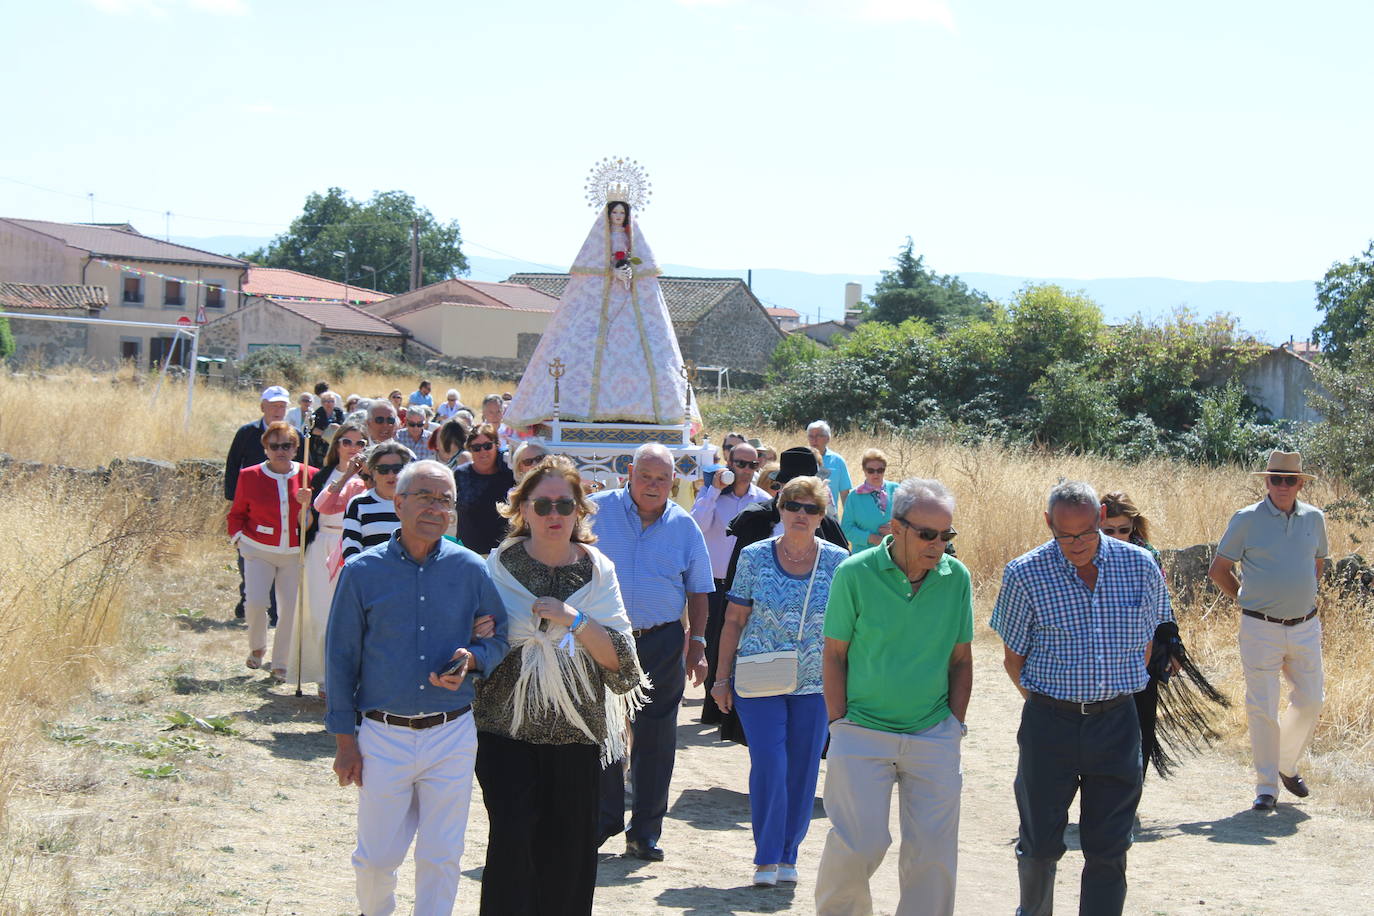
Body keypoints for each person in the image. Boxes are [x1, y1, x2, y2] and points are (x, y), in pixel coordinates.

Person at [326, 459, 510, 916]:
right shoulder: (362, 573)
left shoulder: (472, 569)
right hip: (382, 735)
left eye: (445, 499)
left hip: (451, 733)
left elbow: (498, 638)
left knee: (441, 856)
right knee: (374, 861)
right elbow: (340, 660)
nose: (436, 507)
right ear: (398, 501)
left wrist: (472, 659)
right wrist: (345, 742)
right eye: (425, 496)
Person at [475, 456, 650, 915]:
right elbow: (478, 640)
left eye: (564, 505)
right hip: (504, 730)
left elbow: (624, 665)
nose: (554, 515)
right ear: (523, 510)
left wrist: (575, 620)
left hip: (577, 733)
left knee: (570, 854)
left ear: (579, 511)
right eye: (543, 504)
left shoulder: (598, 571)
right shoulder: (495, 568)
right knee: (512, 845)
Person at [990, 480, 1171, 916]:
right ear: (1048, 523)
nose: (1076, 544)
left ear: (1102, 519)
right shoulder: (1025, 573)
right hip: (1050, 725)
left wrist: (1109, 691)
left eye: (1087, 533)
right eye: (1065, 535)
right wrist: (1052, 705)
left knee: (1110, 846)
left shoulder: (1141, 567)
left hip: (1117, 724)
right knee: (1039, 843)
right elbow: (1013, 659)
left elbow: (1146, 646)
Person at [814, 478, 972, 915]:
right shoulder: (854, 573)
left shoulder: (956, 578)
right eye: (928, 534)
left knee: (934, 855)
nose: (938, 545)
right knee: (858, 845)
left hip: (934, 733)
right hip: (861, 731)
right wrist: (839, 723)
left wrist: (954, 725)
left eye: (947, 535)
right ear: (896, 527)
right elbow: (834, 655)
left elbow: (961, 659)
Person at [709, 475, 848, 887]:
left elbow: (848, 630)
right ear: (781, 509)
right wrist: (720, 678)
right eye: (793, 506)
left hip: (814, 683)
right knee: (769, 763)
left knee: (803, 769)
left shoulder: (839, 562)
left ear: (822, 516)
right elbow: (733, 619)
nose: (801, 515)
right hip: (758, 678)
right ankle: (766, 857)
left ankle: (789, 854)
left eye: (811, 509)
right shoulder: (753, 556)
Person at [590, 443, 714, 861]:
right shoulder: (594, 511)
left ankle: (644, 831)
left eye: (662, 479)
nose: (653, 485)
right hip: (602, 639)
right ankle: (604, 819)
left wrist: (696, 644)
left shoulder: (684, 527)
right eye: (646, 476)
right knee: (603, 729)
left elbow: (699, 590)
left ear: (673, 482)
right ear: (629, 472)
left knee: (656, 737)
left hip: (661, 641)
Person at [503, 199, 698, 430]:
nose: (618, 216)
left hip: (630, 303)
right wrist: (611, 272)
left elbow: (644, 275)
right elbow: (591, 273)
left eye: (621, 213)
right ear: (607, 215)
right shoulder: (596, 246)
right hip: (598, 310)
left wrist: (628, 271)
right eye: (614, 212)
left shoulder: (635, 243)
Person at [1208, 450, 1328, 810]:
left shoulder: (1315, 519)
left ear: (1300, 483)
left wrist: (1298, 594)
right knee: (1262, 706)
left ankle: (1285, 764)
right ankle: (1266, 788)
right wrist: (1245, 600)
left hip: (1305, 625)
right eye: (1276, 478)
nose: (1283, 486)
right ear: (1266, 481)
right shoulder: (1247, 519)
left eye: (1290, 479)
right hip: (1259, 627)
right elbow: (1219, 569)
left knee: (1311, 699)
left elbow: (1317, 565)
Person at [1101, 491, 1229, 779]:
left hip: (1143, 653)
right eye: (1109, 530)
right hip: (1102, 655)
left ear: (1134, 526)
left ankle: (1131, 794)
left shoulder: (1148, 556)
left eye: (1124, 529)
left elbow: (1162, 606)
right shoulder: (1087, 557)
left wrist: (1173, 643)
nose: (1117, 535)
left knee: (1143, 725)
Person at [690, 439, 771, 726]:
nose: (747, 470)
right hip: (713, 582)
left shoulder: (762, 499)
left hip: (746, 585)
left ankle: (733, 709)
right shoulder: (710, 495)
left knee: (739, 644)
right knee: (711, 642)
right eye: (741, 464)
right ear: (729, 464)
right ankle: (711, 709)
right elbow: (697, 526)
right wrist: (714, 490)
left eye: (753, 465)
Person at [227, 421, 315, 680]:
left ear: (296, 448)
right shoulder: (250, 475)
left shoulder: (309, 474)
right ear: (265, 448)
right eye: (274, 446)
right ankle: (257, 646)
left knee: (289, 609)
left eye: (286, 445)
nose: (280, 451)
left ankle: (281, 663)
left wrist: (307, 505)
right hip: (258, 550)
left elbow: (319, 514)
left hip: (293, 554)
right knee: (254, 602)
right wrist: (239, 539)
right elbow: (236, 514)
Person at [289, 421, 368, 695]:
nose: (353, 448)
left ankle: (347, 676)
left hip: (351, 545)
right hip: (322, 544)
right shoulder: (321, 476)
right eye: (347, 442)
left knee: (348, 615)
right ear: (337, 445)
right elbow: (307, 522)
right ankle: (323, 675)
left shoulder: (370, 476)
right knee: (321, 612)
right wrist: (303, 505)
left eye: (360, 443)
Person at [724, 447, 850, 595]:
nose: (801, 512)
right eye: (793, 503)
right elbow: (737, 584)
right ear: (781, 486)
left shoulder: (827, 525)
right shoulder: (756, 519)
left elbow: (845, 581)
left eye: (810, 508)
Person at [224, 385, 298, 621]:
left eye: (282, 406)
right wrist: (233, 498)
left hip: (285, 505)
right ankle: (249, 598)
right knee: (250, 555)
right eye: (274, 405)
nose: (278, 410)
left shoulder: (294, 436)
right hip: (251, 505)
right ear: (262, 407)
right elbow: (233, 465)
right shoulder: (247, 433)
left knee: (282, 556)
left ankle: (275, 609)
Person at [341, 442, 413, 563]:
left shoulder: (415, 503)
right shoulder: (358, 504)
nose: (391, 474)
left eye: (397, 469)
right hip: (370, 575)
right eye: (384, 469)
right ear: (372, 472)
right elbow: (350, 550)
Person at [453, 423, 516, 555]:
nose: (483, 452)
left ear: (497, 445)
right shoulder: (460, 474)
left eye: (488, 446)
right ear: (469, 449)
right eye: (476, 448)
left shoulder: (509, 475)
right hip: (467, 552)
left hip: (503, 553)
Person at [840, 448, 899, 553]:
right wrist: (871, 538)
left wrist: (896, 529)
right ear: (864, 470)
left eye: (880, 470)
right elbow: (846, 529)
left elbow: (912, 521)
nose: (876, 474)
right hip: (864, 556)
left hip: (894, 554)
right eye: (871, 470)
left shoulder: (897, 490)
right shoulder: (854, 496)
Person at [807, 420, 852, 517]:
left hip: (829, 517)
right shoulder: (801, 458)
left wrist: (849, 520)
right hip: (805, 515)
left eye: (818, 436)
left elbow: (845, 494)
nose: (814, 440)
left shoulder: (838, 461)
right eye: (811, 436)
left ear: (828, 438)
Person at [308, 391, 345, 466]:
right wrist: (326, 433)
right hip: (320, 447)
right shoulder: (317, 414)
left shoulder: (338, 413)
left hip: (335, 445)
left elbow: (344, 427)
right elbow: (312, 430)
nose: (329, 403)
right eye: (326, 401)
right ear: (322, 403)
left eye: (331, 401)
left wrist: (338, 427)